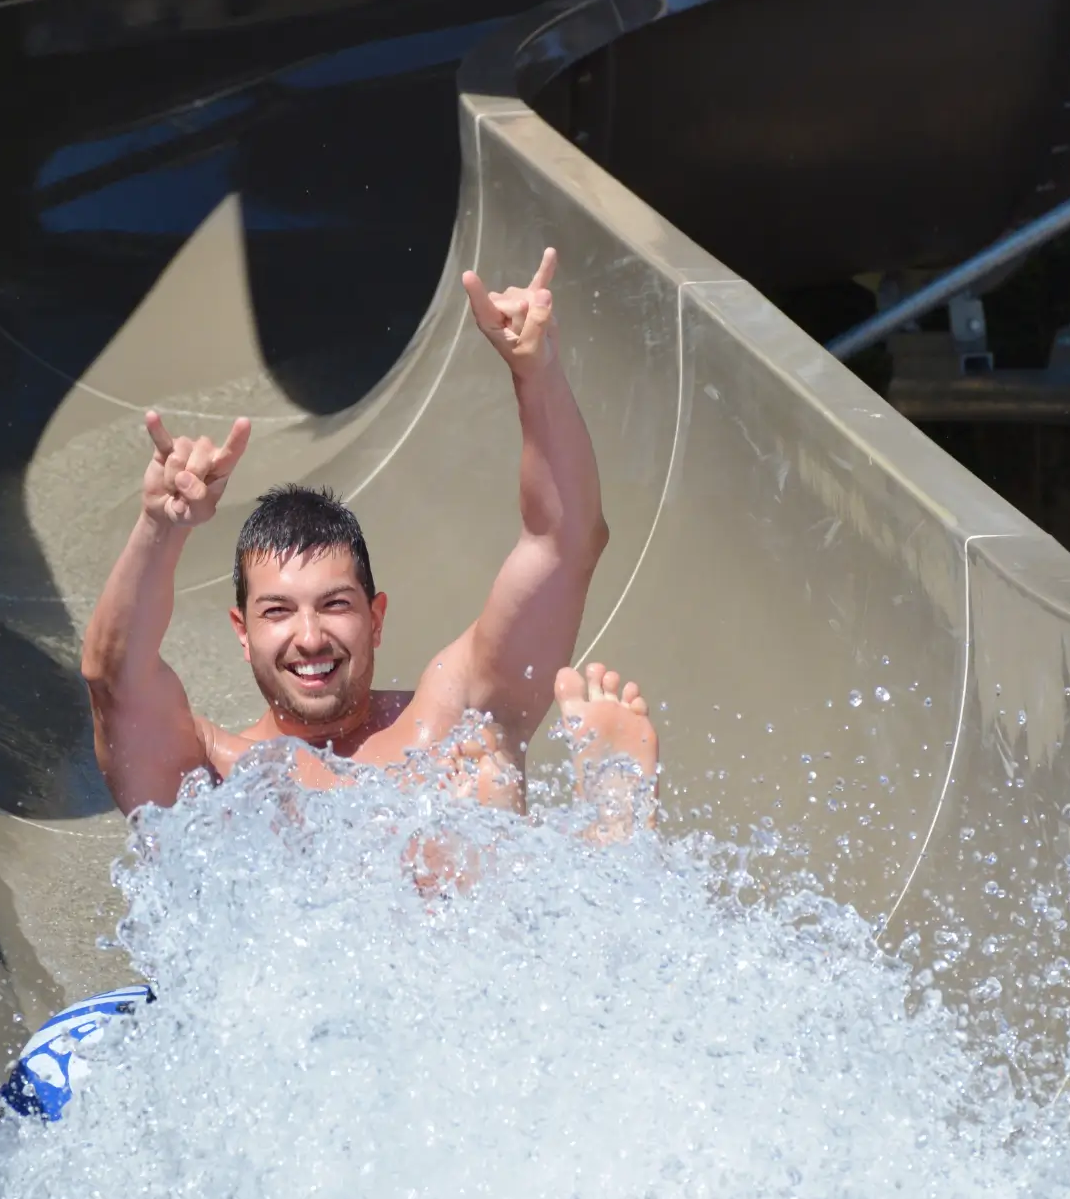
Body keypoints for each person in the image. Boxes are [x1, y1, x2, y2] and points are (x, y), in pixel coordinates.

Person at [81, 246, 658, 817]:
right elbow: (113, 682)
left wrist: (538, 372)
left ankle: (611, 832)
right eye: (278, 611)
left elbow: (567, 542)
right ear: (242, 629)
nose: (310, 637)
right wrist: (159, 527)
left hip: (477, 899)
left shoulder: (452, 716)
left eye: (334, 604)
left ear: (375, 617)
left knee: (484, 761)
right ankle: (610, 826)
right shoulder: (211, 773)